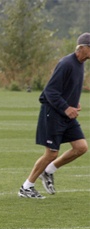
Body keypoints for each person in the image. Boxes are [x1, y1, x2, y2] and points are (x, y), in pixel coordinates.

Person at [18, 32, 89, 199]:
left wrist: (73, 102)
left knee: (81, 147)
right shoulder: (66, 63)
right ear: (82, 48)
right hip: (54, 113)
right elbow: (50, 91)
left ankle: (48, 171)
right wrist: (66, 107)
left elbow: (66, 88)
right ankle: (26, 187)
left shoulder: (81, 64)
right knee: (51, 153)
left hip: (66, 114)